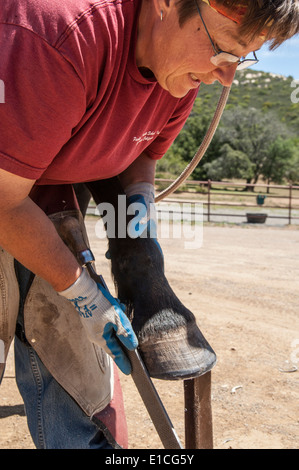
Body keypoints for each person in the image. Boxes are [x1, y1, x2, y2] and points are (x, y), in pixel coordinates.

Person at [0, 0, 298, 449]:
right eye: (224, 49)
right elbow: (3, 200)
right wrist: (82, 293)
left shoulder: (183, 67)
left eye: (242, 58)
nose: (227, 75)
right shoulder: (62, 34)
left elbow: (139, 150)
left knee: (77, 368)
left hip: (43, 179)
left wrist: (137, 220)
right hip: (8, 184)